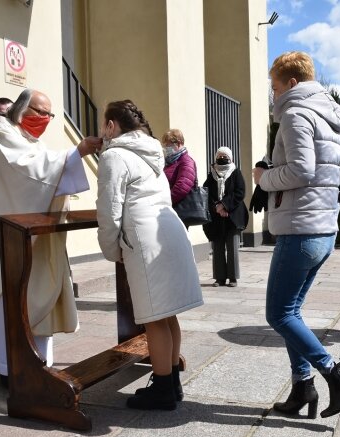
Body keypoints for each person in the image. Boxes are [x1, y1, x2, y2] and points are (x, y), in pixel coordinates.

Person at [0, 89, 100, 385]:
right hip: (6, 244)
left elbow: (43, 171)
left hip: (30, 239)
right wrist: (77, 152)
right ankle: (9, 368)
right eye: (40, 112)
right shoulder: (2, 135)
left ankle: (34, 365)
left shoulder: (27, 140)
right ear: (21, 109)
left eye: (49, 114)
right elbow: (29, 174)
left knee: (33, 297)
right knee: (7, 300)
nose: (45, 119)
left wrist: (72, 158)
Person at [252, 51, 340, 420]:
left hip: (300, 229)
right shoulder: (328, 116)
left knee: (279, 314)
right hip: (322, 229)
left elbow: (301, 170)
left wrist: (263, 178)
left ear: (292, 83)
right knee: (292, 311)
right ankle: (303, 386)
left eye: (275, 85)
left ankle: (333, 372)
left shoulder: (297, 114)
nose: (273, 94)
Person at [96, 100, 203, 411]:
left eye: (105, 124)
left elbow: (109, 210)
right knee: (167, 314)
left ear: (112, 126)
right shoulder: (153, 152)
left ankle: (163, 389)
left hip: (144, 238)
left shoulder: (115, 155)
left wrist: (111, 249)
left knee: (154, 318)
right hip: (168, 229)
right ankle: (170, 382)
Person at [203, 147, 249, 287]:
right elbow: (207, 194)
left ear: (231, 158)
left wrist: (225, 205)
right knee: (217, 247)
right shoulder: (211, 175)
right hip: (217, 217)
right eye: (220, 156)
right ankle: (219, 278)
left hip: (233, 216)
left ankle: (233, 278)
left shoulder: (236, 173)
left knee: (232, 247)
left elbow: (240, 192)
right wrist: (217, 207)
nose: (222, 158)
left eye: (225, 156)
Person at [161, 129, 197, 208]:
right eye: (165, 145)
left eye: (168, 145)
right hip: (170, 206)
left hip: (181, 209)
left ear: (179, 143)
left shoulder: (186, 161)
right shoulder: (170, 162)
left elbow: (182, 187)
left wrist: (164, 201)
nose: (166, 148)